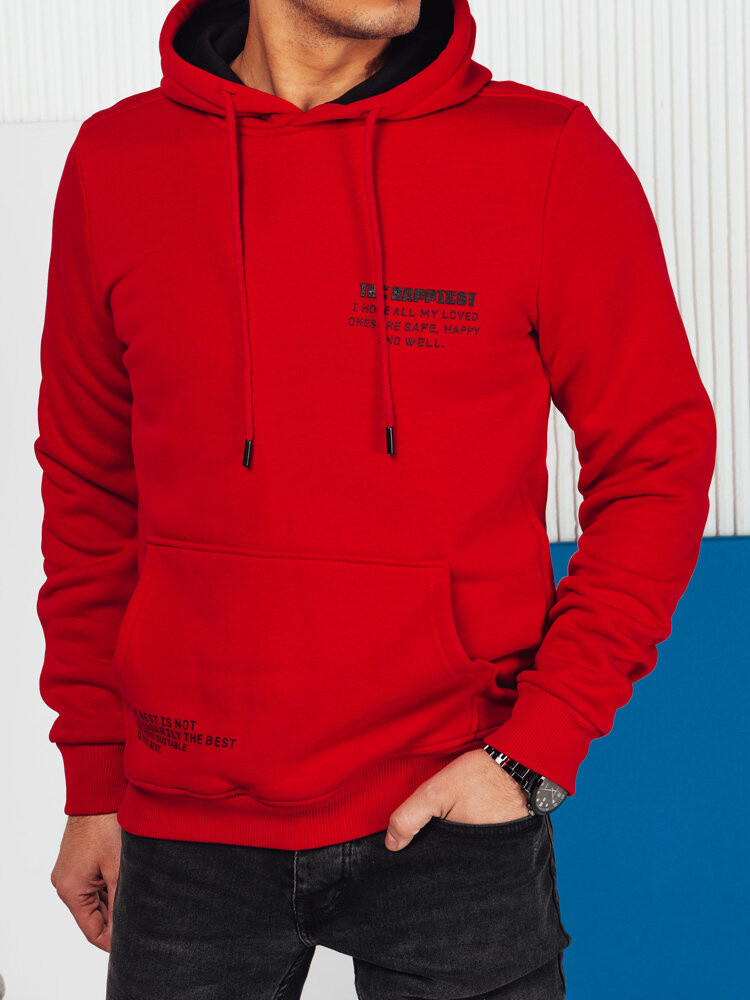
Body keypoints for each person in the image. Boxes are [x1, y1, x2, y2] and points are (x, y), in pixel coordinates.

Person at [35, 1, 716, 997]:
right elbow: (89, 491)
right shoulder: (117, 164)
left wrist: (536, 750)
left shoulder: (545, 155)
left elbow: (657, 457)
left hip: (456, 799)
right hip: (186, 816)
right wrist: (93, 775)